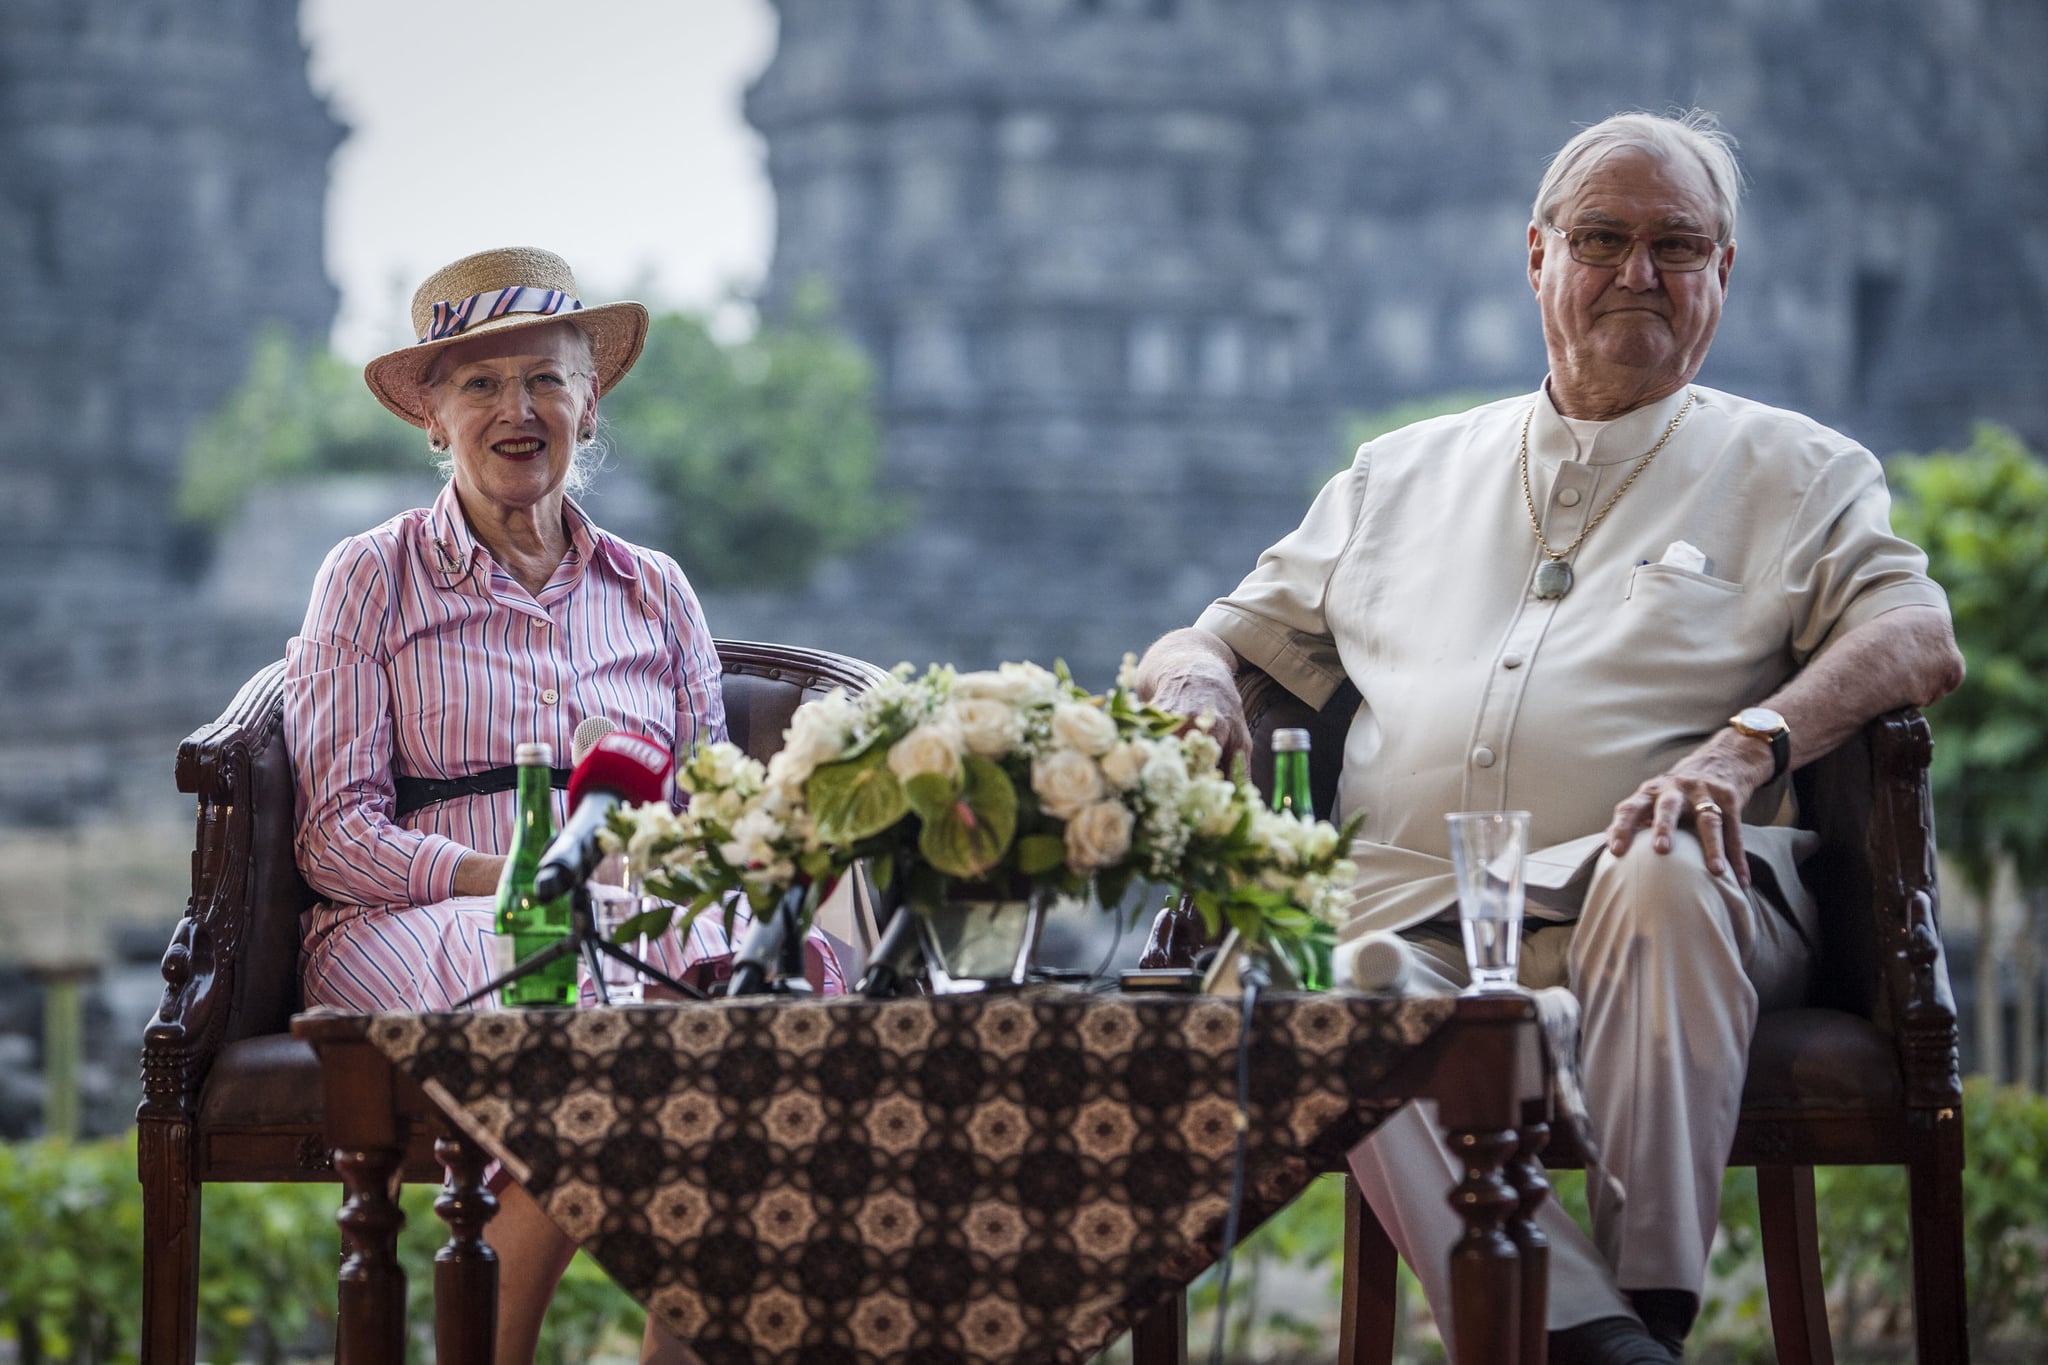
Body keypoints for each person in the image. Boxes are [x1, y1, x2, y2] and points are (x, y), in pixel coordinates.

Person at [1134, 111, 1964, 1364]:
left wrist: (1743, 747)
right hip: (1410, 913)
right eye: (1602, 238)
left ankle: (1646, 1299)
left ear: (1722, 274)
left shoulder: (1798, 470)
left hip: (1679, 902)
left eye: (1677, 245)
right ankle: (1594, 1341)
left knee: (1665, 861)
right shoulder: (1395, 477)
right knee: (1322, 977)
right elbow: (1209, 640)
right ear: (1536, 257)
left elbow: (1916, 635)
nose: (1639, 272)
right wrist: (1193, 683)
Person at [286, 246, 837, 1364]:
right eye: (480, 384)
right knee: (569, 983)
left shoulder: (653, 589)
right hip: (411, 919)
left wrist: (652, 843)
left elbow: (711, 823)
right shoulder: (369, 577)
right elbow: (332, 839)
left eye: (545, 379)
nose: (516, 408)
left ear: (591, 406)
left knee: (758, 989)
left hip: (618, 908)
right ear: (431, 419)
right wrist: (520, 876)